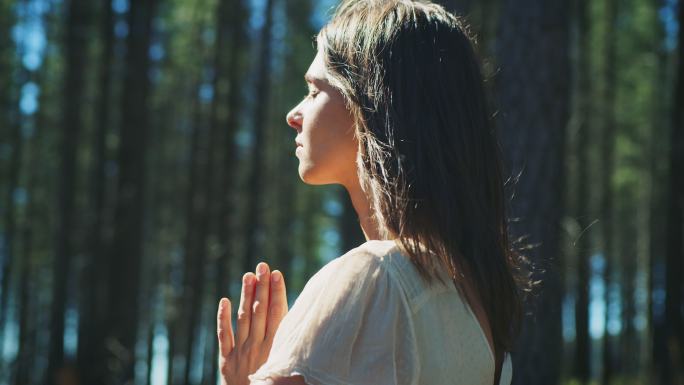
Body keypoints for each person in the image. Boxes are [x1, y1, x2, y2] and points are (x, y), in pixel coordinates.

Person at [216, 1, 526, 384]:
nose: (293, 115)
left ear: (370, 105)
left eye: (314, 91)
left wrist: (244, 379)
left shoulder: (373, 277)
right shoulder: (472, 302)